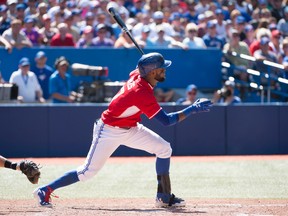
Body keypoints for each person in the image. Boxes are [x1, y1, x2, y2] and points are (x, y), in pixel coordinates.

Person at [33, 52, 213, 208]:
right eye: (161, 68)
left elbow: (137, 68)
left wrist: (150, 63)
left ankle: (164, 198)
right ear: (151, 72)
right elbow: (166, 121)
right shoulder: (141, 92)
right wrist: (192, 109)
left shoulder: (138, 75)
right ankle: (44, 190)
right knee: (87, 173)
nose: (165, 70)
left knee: (164, 149)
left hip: (131, 127)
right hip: (108, 130)